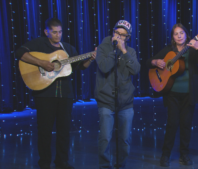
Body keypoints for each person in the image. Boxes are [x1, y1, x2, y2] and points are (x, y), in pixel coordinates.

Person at [15, 18, 96, 169]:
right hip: (45, 94)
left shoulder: (68, 48)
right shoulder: (39, 43)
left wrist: (90, 59)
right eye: (54, 32)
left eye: (60, 32)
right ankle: (44, 163)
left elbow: (80, 66)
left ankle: (62, 162)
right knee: (45, 130)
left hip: (65, 95)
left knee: (64, 130)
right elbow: (19, 53)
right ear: (47, 32)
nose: (58, 35)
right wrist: (42, 63)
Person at [146, 23, 198, 167]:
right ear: (173, 37)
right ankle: (165, 155)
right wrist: (155, 61)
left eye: (181, 33)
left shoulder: (192, 49)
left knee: (186, 125)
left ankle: (184, 155)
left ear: (186, 35)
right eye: (176, 33)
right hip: (172, 93)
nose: (179, 36)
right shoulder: (168, 50)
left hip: (189, 94)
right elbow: (149, 62)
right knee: (172, 125)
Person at [95, 20, 140, 169]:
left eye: (123, 35)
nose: (119, 37)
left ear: (128, 38)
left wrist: (124, 52)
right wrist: (115, 51)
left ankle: (121, 165)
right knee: (105, 138)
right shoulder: (103, 47)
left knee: (125, 139)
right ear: (113, 32)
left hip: (125, 101)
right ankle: (105, 166)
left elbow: (135, 70)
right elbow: (104, 66)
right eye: (117, 33)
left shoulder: (130, 51)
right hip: (106, 100)